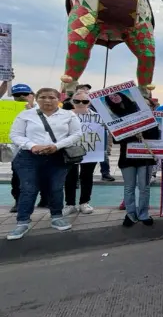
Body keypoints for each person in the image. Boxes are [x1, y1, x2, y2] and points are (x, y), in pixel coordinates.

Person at [7, 88, 83, 240]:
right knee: (28, 188)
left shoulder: (68, 115)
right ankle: (23, 221)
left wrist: (57, 146)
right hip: (29, 157)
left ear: (58, 98)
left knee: (55, 187)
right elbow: (15, 135)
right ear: (36, 98)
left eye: (51, 97)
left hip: (57, 156)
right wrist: (32, 146)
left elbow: (76, 134)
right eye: (42, 97)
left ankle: (56, 216)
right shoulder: (26, 114)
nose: (47, 100)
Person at [8, 83, 48, 212]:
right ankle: (18, 202)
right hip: (18, 151)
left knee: (44, 176)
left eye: (25, 94)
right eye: (17, 95)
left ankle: (45, 199)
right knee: (17, 179)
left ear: (33, 95)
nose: (21, 97)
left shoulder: (42, 109)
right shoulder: (7, 109)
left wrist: (31, 110)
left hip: (40, 149)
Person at [62, 91, 101, 216]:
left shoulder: (97, 117)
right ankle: (70, 204)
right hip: (70, 150)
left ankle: (84, 202)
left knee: (87, 176)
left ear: (89, 102)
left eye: (84, 101)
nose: (80, 104)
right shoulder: (64, 116)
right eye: (77, 101)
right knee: (70, 177)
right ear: (72, 102)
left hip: (91, 150)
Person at [119, 113, 160, 229]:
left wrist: (142, 132)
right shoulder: (123, 122)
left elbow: (156, 137)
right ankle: (130, 214)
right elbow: (117, 140)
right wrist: (133, 135)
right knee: (129, 187)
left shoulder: (152, 122)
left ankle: (143, 214)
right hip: (127, 159)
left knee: (144, 187)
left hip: (145, 159)